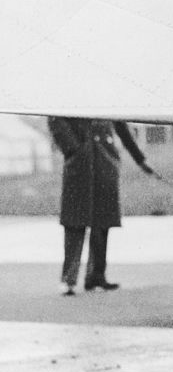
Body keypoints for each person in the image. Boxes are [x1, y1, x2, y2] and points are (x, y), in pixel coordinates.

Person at [47, 117, 153, 295]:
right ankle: (69, 279)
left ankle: (96, 276)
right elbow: (55, 119)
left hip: (105, 163)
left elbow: (121, 126)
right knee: (75, 224)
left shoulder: (107, 94)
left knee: (102, 223)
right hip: (79, 166)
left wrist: (140, 159)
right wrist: (74, 149)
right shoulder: (66, 91)